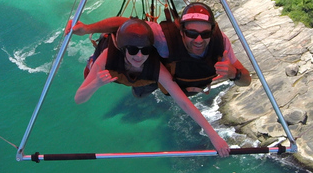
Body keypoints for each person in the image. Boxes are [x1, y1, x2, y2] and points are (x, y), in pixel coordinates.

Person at [75, 19, 230, 157]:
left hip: (143, 79)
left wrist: (213, 136)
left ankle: (138, 87)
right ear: (123, 49)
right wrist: (96, 83)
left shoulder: (155, 66)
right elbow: (79, 98)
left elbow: (183, 103)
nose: (140, 56)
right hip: (120, 73)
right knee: (136, 88)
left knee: (141, 93)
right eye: (133, 50)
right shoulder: (107, 57)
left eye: (145, 50)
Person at [67, 2, 252, 95]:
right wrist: (87, 29)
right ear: (181, 30)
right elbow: (124, 23)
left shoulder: (220, 44)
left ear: (212, 31)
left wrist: (233, 73)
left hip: (180, 85)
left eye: (205, 34)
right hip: (161, 78)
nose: (198, 39)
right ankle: (94, 61)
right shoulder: (164, 36)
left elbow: (246, 79)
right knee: (137, 83)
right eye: (191, 33)